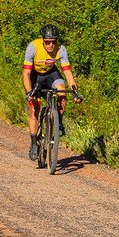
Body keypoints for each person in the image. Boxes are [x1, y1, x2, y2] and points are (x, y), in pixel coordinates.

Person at [23, 24, 79, 161]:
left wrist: (75, 92)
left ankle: (59, 122)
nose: (51, 45)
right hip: (35, 76)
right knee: (34, 109)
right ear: (43, 40)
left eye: (53, 41)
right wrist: (29, 92)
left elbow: (67, 72)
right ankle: (34, 143)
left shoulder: (61, 49)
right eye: (48, 42)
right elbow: (26, 73)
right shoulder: (33, 47)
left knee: (62, 92)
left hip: (50, 73)